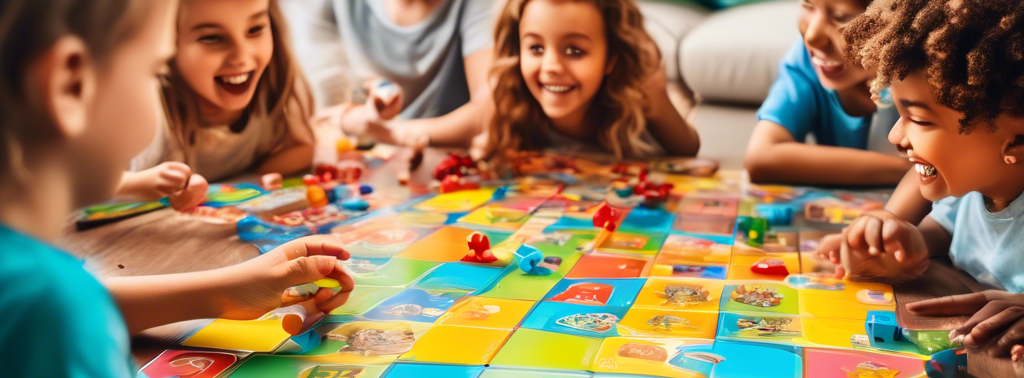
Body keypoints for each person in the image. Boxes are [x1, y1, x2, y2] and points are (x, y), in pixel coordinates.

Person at [0, 1, 565, 378]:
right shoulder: (47, 308)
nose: (159, 88)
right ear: (70, 82)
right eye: (153, 69)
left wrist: (227, 291)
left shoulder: (31, 285)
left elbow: (75, 305)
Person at [828, 0, 1024, 358]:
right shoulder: (970, 190)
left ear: (1016, 140)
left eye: (918, 120)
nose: (896, 138)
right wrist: (902, 244)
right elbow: (945, 231)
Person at [120, 0, 316, 210]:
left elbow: (303, 146)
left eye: (255, 29)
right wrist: (138, 183)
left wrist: (257, 177)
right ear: (165, 43)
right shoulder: (145, 110)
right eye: (212, 38)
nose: (242, 56)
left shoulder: (275, 82)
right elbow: (85, 180)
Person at [482, 0, 700, 162]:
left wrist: (657, 97)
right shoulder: (511, 100)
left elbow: (688, 148)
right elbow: (456, 132)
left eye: (575, 51)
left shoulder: (639, 96)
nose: (551, 67)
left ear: (611, 58)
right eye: (536, 48)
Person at [744, 0, 916, 188]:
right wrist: (908, 169)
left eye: (842, 16)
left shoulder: (928, 75)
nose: (812, 36)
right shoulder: (807, 61)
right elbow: (761, 157)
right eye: (808, 5)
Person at [309, 0, 497, 149]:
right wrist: (367, 102)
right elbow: (324, 113)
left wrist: (383, 132)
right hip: (370, 156)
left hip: (449, 155)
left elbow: (488, 112)